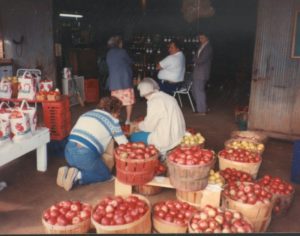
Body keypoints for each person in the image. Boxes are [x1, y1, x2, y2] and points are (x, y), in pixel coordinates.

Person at [56, 96, 128, 191]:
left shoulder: (87, 114)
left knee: (85, 165)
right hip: (85, 155)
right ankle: (78, 176)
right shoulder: (113, 121)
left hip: (68, 151)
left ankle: (67, 171)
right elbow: (124, 144)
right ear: (116, 111)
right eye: (119, 112)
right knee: (105, 175)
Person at [130, 78, 186, 155]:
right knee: (142, 130)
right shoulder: (169, 97)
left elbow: (149, 127)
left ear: (143, 92)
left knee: (134, 137)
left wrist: (137, 125)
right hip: (179, 136)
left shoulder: (154, 101)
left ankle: (159, 153)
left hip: (166, 141)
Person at [106, 35, 135, 125]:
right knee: (128, 101)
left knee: (115, 103)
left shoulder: (109, 53)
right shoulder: (122, 52)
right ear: (119, 43)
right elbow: (130, 62)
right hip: (124, 82)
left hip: (114, 83)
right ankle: (128, 120)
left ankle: (115, 119)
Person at [192, 32, 213, 115]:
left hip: (202, 73)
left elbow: (201, 60)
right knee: (194, 90)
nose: (200, 39)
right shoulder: (201, 46)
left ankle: (202, 110)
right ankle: (202, 107)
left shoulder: (208, 48)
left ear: (207, 38)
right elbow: (195, 57)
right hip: (197, 72)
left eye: (202, 37)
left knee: (199, 91)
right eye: (200, 38)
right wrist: (196, 59)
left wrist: (195, 60)